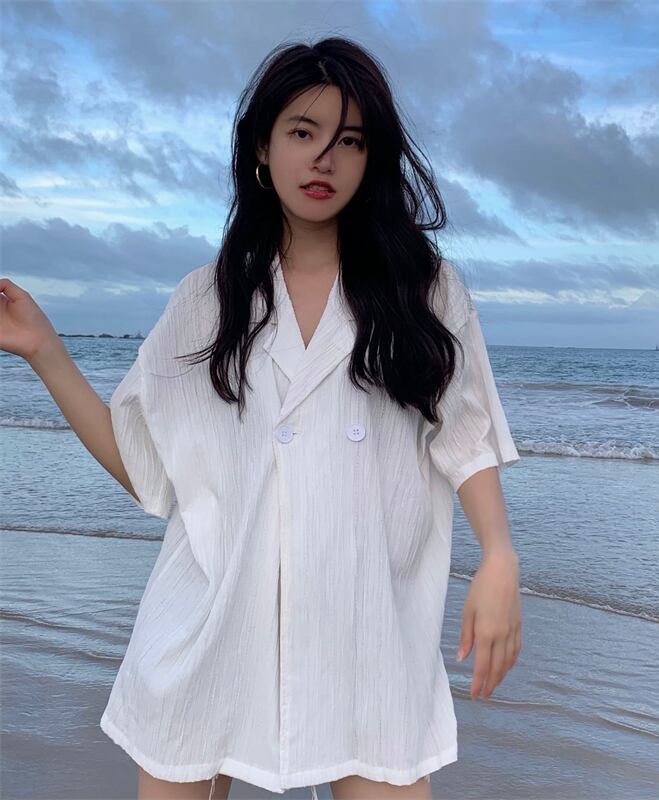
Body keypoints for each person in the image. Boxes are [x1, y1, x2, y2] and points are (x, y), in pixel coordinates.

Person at [0, 37, 522, 800]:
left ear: (371, 159)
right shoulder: (206, 299)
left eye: (350, 141)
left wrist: (500, 556)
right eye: (303, 132)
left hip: (364, 636)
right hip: (206, 631)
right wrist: (45, 350)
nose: (324, 160)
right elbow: (144, 464)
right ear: (261, 149)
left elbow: (465, 433)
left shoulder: (424, 290)